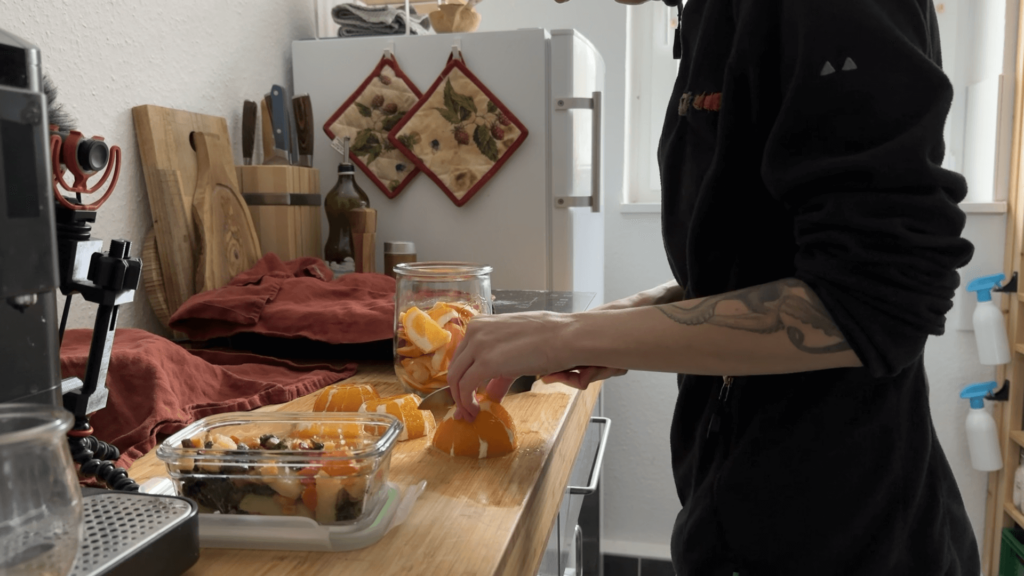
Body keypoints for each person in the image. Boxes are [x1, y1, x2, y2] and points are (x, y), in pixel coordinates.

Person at [447, 0, 980, 573]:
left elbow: (869, 301)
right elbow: (758, 264)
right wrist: (607, 327)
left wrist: (572, 332)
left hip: (845, 535)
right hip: (737, 511)